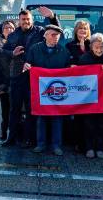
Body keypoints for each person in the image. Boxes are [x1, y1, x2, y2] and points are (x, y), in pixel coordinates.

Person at [2, 7, 59, 147]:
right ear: (19, 21)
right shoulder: (13, 35)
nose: (25, 21)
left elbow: (55, 32)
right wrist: (12, 53)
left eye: (28, 19)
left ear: (32, 20)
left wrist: (52, 17)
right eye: (23, 19)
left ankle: (29, 138)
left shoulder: (40, 32)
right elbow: (4, 52)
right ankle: (11, 138)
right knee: (14, 109)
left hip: (34, 76)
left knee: (31, 109)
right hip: (16, 75)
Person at [24, 25, 72, 156]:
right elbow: (28, 64)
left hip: (57, 89)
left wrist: (72, 69)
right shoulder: (35, 49)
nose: (55, 37)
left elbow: (68, 70)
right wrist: (27, 66)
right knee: (41, 117)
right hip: (40, 89)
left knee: (57, 117)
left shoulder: (64, 51)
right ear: (45, 35)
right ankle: (41, 144)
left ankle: (56, 145)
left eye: (57, 35)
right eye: (52, 34)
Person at [78, 33, 103, 159]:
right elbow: (78, 78)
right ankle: (89, 148)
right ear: (91, 47)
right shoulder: (84, 59)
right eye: (96, 47)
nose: (99, 49)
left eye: (101, 47)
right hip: (88, 96)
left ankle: (100, 148)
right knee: (88, 123)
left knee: (102, 124)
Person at [65, 19, 92, 152]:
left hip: (90, 86)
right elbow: (66, 62)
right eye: (80, 28)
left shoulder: (93, 45)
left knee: (89, 117)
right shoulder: (69, 45)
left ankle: (88, 144)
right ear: (76, 30)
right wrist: (70, 66)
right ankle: (77, 142)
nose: (83, 31)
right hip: (75, 85)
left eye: (85, 28)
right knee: (76, 116)